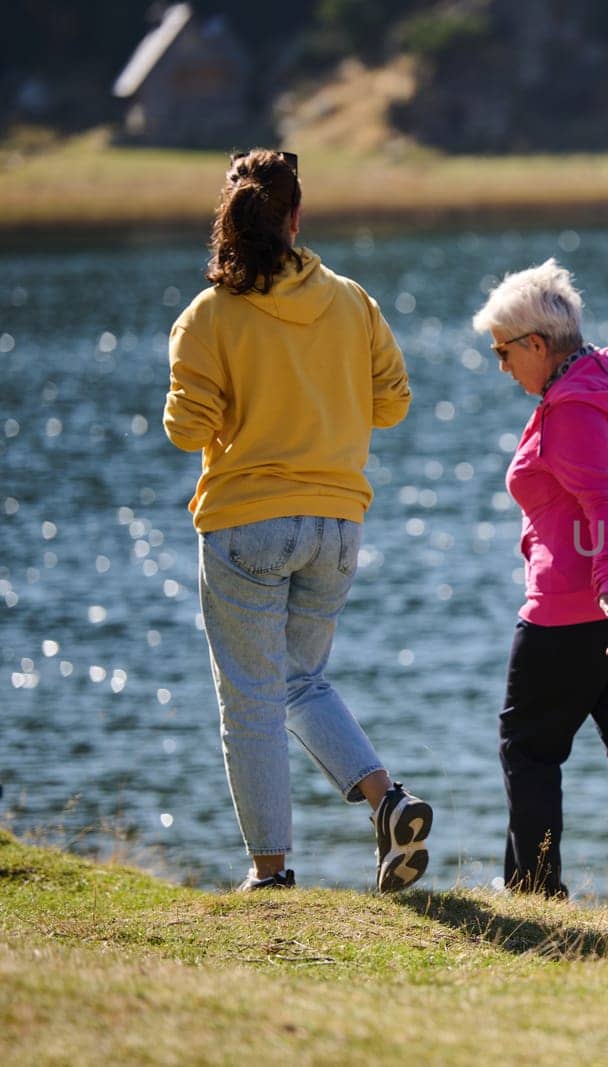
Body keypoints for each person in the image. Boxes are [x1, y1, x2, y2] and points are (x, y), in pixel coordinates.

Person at [163, 148, 432, 893]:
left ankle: (271, 872)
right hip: (337, 524)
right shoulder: (351, 299)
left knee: (250, 696)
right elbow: (395, 402)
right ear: (295, 218)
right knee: (300, 680)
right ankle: (389, 800)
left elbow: (187, 430)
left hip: (247, 524)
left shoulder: (206, 316)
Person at [473, 259, 608, 909]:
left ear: (537, 345)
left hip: (585, 607)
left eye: (503, 351)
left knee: (529, 746)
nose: (502, 365)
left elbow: (604, 504)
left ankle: (536, 892)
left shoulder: (569, 407)